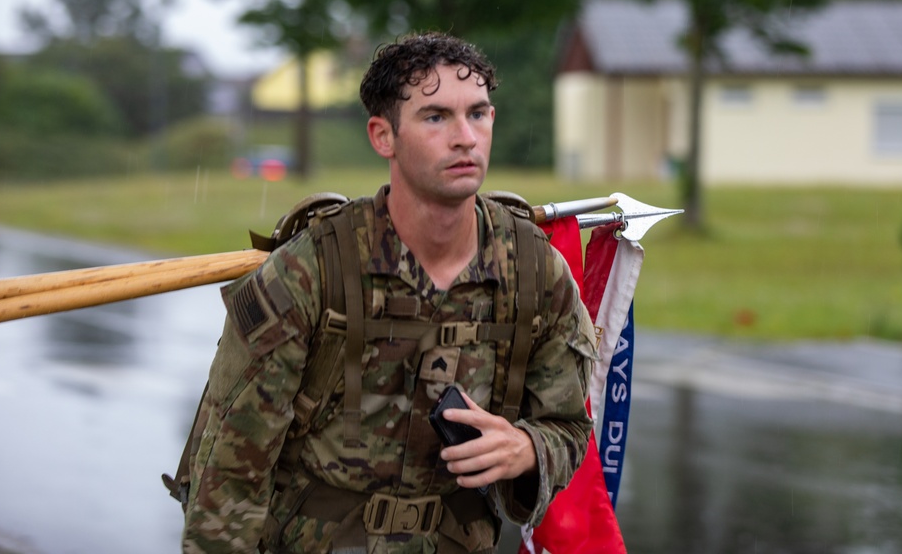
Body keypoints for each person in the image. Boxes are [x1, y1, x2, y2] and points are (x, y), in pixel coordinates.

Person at [182, 32, 596, 553]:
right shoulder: (311, 272)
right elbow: (228, 478)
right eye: (436, 117)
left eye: (479, 113)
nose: (466, 137)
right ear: (384, 136)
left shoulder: (536, 271)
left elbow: (569, 429)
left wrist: (527, 448)